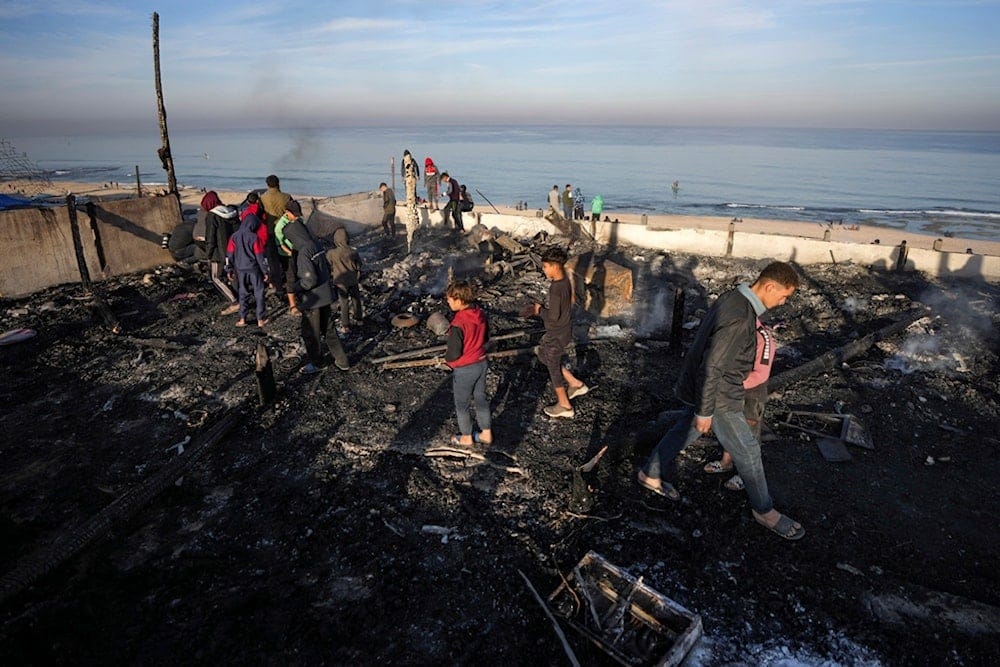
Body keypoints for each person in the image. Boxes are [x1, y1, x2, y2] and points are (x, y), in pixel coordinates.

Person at [637, 262, 805, 541]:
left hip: (708, 387)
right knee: (749, 450)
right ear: (769, 286)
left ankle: (650, 473)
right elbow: (713, 365)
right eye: (784, 295)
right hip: (720, 393)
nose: (783, 302)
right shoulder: (741, 317)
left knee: (684, 428)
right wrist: (705, 411)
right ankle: (764, 511)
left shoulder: (734, 298)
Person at [703, 319, 776, 492]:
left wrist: (731, 385)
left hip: (752, 394)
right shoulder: (733, 331)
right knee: (730, 427)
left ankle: (746, 475)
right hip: (732, 388)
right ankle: (726, 462)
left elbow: (761, 374)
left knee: (749, 434)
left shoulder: (762, 337)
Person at [521, 246, 588, 419]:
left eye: (545, 266)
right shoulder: (564, 281)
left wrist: (539, 310)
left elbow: (553, 318)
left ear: (555, 266)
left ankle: (565, 405)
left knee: (553, 367)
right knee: (544, 356)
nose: (543, 270)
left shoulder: (556, 289)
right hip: (563, 330)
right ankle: (575, 384)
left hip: (557, 332)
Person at [282, 216, 350, 374]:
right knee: (329, 330)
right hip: (326, 294)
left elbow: (309, 279)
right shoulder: (316, 244)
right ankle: (342, 361)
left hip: (314, 300)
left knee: (311, 333)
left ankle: (317, 363)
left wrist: (296, 287)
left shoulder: (303, 251)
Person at [444, 280, 493, 447]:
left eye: (450, 299)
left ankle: (466, 436)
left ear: (459, 300)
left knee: (462, 404)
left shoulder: (458, 322)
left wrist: (449, 363)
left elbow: (454, 352)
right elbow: (486, 338)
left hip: (466, 368)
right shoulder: (479, 314)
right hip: (481, 362)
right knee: (481, 398)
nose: (448, 302)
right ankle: (486, 433)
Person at [225, 212, 270, 328]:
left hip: (240, 269)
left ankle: (242, 319)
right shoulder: (255, 237)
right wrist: (265, 271)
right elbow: (260, 256)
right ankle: (260, 319)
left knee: (243, 293)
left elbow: (229, 254)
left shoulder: (234, 236)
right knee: (259, 292)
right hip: (254, 269)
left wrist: (229, 269)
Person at [201, 190, 240, 315]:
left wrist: (208, 254)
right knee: (233, 275)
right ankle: (240, 298)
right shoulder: (232, 213)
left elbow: (210, 237)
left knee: (216, 277)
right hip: (233, 250)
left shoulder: (212, 216)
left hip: (219, 253)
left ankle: (234, 302)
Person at [260, 175, 293, 311]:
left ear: (267, 185)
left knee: (273, 262)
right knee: (287, 258)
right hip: (285, 231)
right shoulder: (286, 197)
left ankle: (278, 287)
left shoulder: (262, 198)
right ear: (278, 184)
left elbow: (261, 215)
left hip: (270, 232)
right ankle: (290, 284)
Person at [327, 227, 363, 334]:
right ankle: (359, 319)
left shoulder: (331, 253)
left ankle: (345, 325)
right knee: (356, 299)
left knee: (344, 302)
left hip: (340, 281)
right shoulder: (353, 251)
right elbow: (359, 265)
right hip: (353, 279)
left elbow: (328, 265)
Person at [274, 200, 306, 316]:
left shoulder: (297, 221)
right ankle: (293, 306)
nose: (296, 217)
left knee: (300, 274)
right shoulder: (280, 226)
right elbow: (280, 244)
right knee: (290, 277)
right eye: (295, 215)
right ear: (287, 212)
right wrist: (291, 253)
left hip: (298, 251)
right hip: (287, 255)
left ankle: (301, 295)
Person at [401, 150, 420, 251]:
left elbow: (416, 168)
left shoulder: (411, 161)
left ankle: (411, 244)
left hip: (411, 182)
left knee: (411, 194)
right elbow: (403, 170)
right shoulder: (405, 162)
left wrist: (416, 175)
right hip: (409, 182)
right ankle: (410, 244)